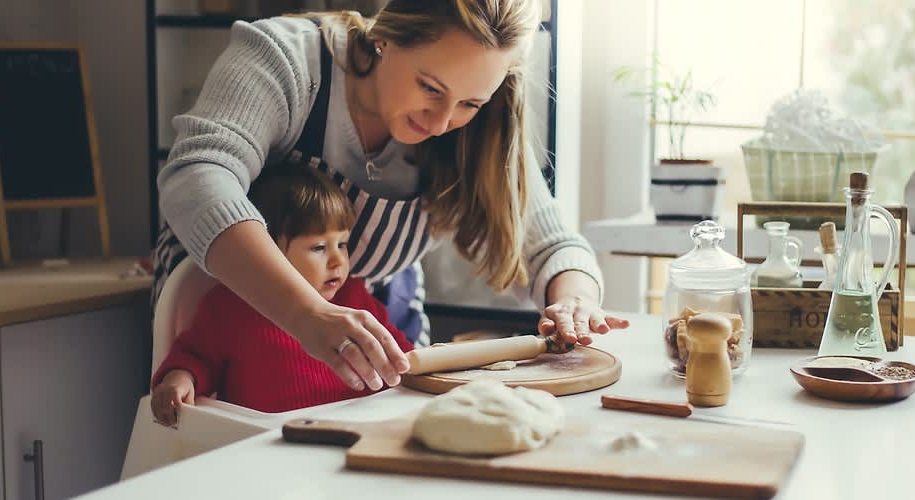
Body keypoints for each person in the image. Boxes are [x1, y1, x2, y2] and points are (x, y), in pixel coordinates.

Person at [150, 0, 629, 395]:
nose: (441, 122)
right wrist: (306, 312)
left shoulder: (484, 124)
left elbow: (550, 246)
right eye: (430, 87)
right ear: (386, 36)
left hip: (375, 329)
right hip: (227, 321)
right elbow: (198, 176)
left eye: (468, 104)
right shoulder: (288, 59)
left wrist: (575, 303)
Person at [151, 166, 415, 424]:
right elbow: (195, 358)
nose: (338, 261)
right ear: (270, 252)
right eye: (319, 247)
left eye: (342, 244)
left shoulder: (356, 299)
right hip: (263, 446)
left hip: (355, 435)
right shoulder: (228, 309)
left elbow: (403, 358)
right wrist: (180, 379)